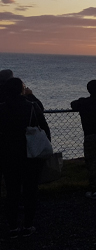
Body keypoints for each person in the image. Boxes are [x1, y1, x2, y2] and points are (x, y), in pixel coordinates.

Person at [0, 77, 50, 238]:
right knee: (30, 191)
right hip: (30, 154)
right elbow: (45, 129)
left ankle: (13, 227)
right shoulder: (32, 106)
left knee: (12, 192)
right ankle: (28, 225)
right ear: (22, 89)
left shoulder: (2, 109)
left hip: (8, 155)